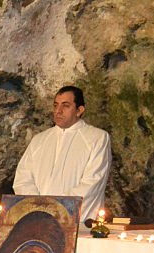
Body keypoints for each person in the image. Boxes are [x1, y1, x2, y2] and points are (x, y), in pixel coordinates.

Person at [13, 85, 112, 221]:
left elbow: (93, 182)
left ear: (79, 110)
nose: (58, 111)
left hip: (77, 223)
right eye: (55, 105)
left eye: (65, 106)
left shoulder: (97, 138)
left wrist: (58, 209)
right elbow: (22, 179)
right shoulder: (39, 139)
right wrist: (39, 208)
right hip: (38, 221)